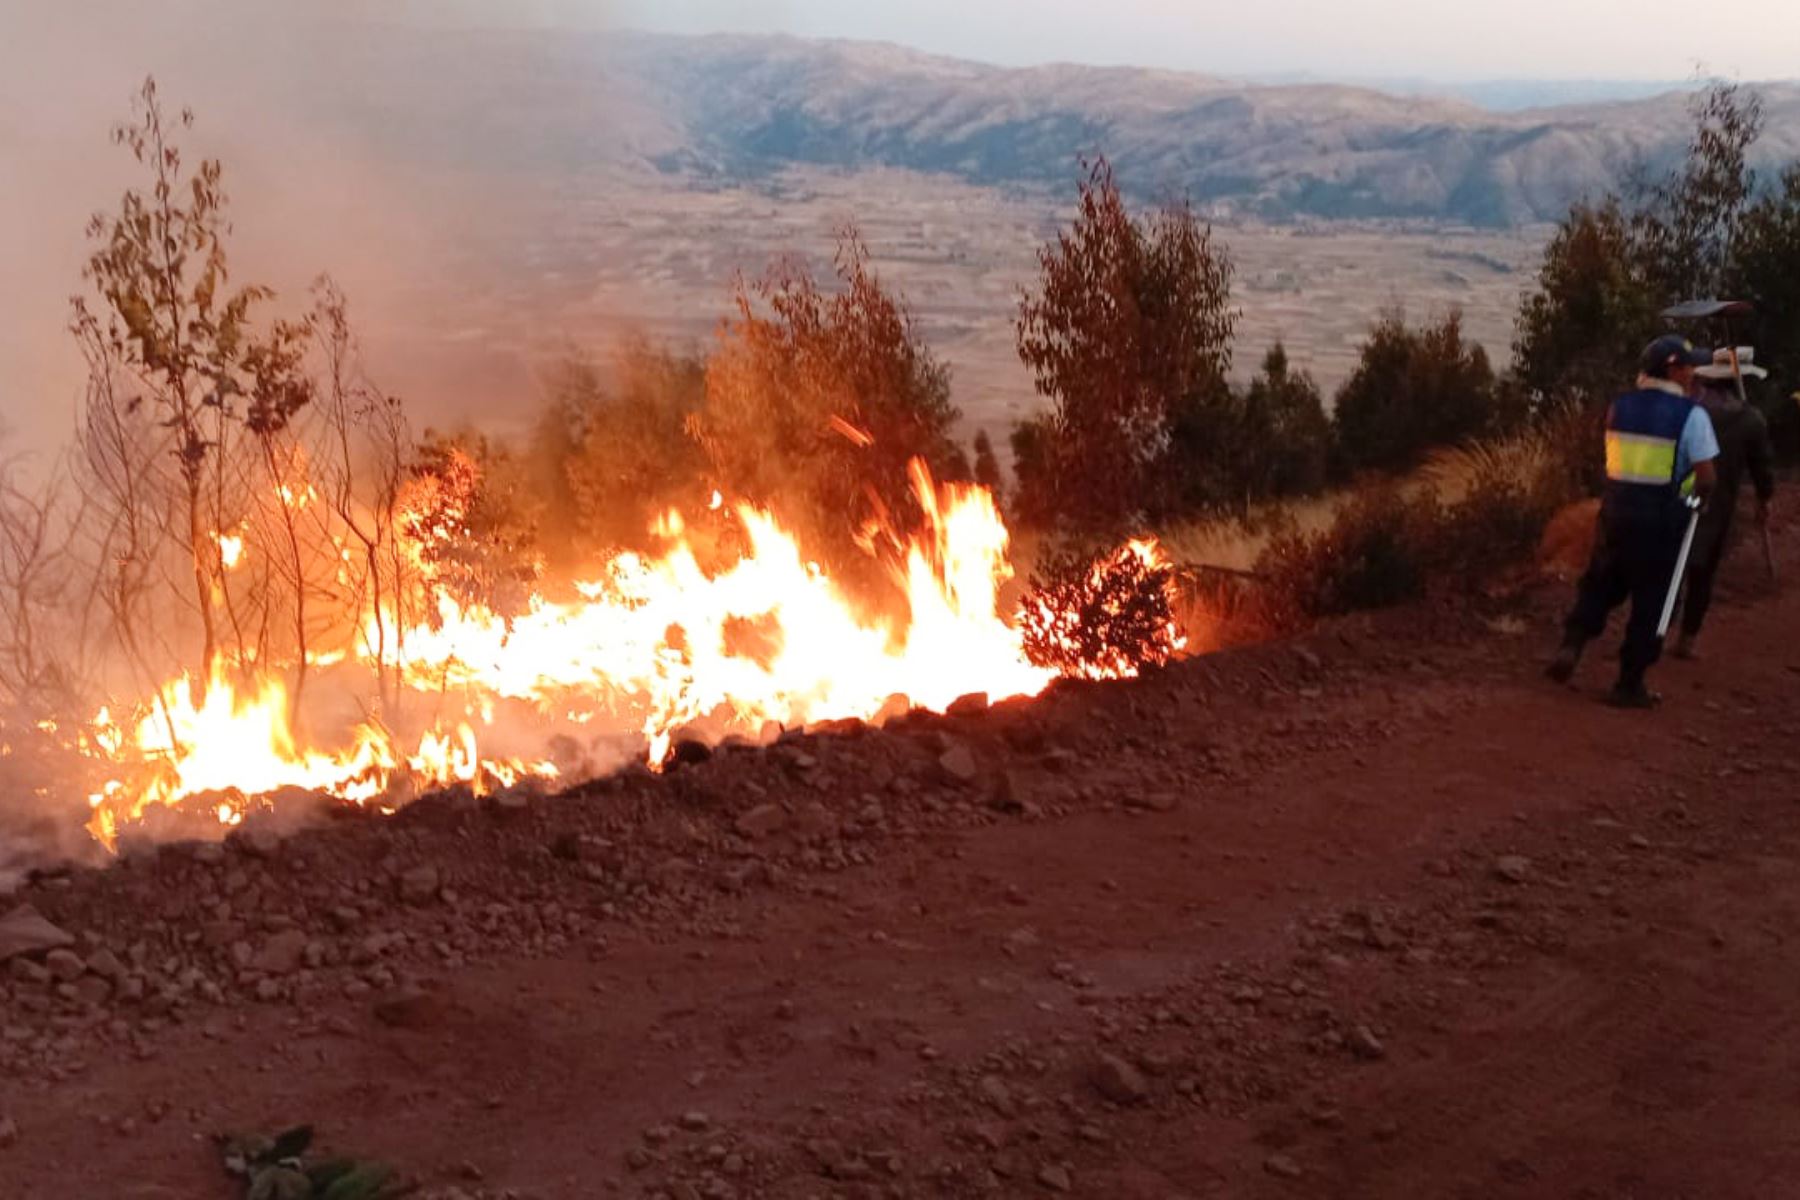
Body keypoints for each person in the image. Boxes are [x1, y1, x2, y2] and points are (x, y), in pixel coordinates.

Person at [1547, 335, 1719, 708]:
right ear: (1673, 369)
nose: (1692, 373)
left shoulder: (1620, 406)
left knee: (1600, 584)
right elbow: (1706, 477)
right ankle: (1628, 683)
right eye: (1688, 366)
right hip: (1661, 520)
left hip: (1615, 511)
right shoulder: (1692, 416)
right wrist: (1693, 501)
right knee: (1653, 602)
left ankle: (1572, 643)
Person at [1671, 348, 1776, 659]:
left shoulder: (1686, 408)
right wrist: (1764, 499)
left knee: (1671, 566)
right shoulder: (1750, 420)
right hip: (1716, 505)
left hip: (1675, 497)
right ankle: (1686, 640)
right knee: (1702, 573)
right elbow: (1762, 468)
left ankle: (1653, 629)